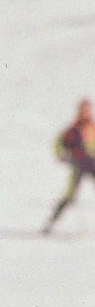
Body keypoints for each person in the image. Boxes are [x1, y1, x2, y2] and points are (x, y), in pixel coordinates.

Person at [43, 98, 95, 234]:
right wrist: (62, 156)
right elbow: (58, 144)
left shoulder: (92, 128)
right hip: (79, 166)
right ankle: (51, 222)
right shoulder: (72, 130)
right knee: (70, 195)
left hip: (93, 164)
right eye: (83, 110)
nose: (86, 113)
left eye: (88, 110)